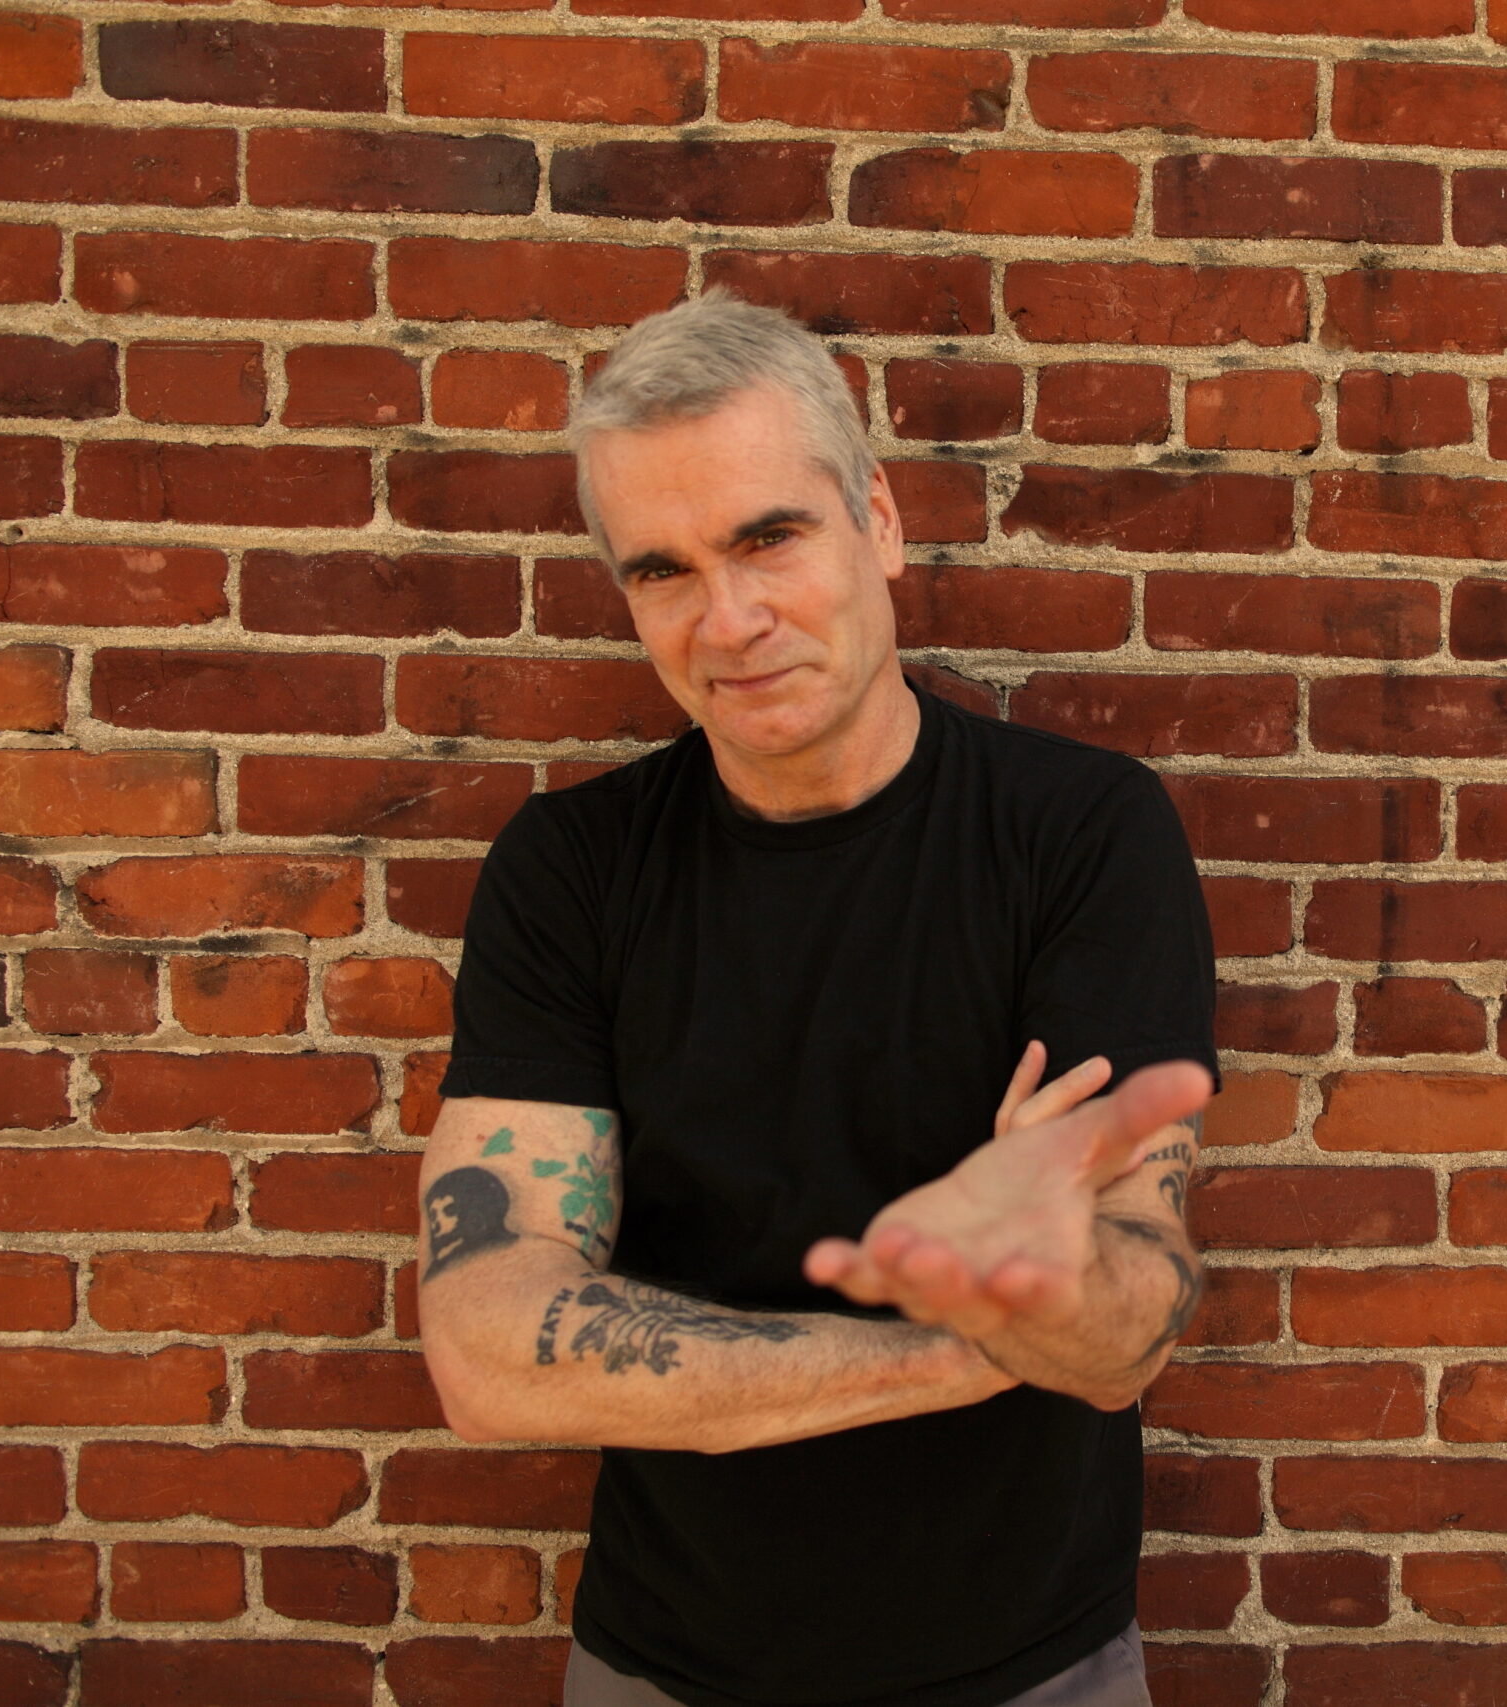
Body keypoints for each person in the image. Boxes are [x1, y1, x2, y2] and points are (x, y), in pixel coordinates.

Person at [415, 292, 1219, 1707]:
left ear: (882, 527)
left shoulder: (1080, 837)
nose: (729, 621)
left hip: (1032, 1670)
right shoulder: (572, 871)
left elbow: (1130, 1333)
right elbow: (488, 1350)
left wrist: (1057, 1280)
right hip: (667, 1670)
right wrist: (962, 1343)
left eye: (768, 538)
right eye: (664, 572)